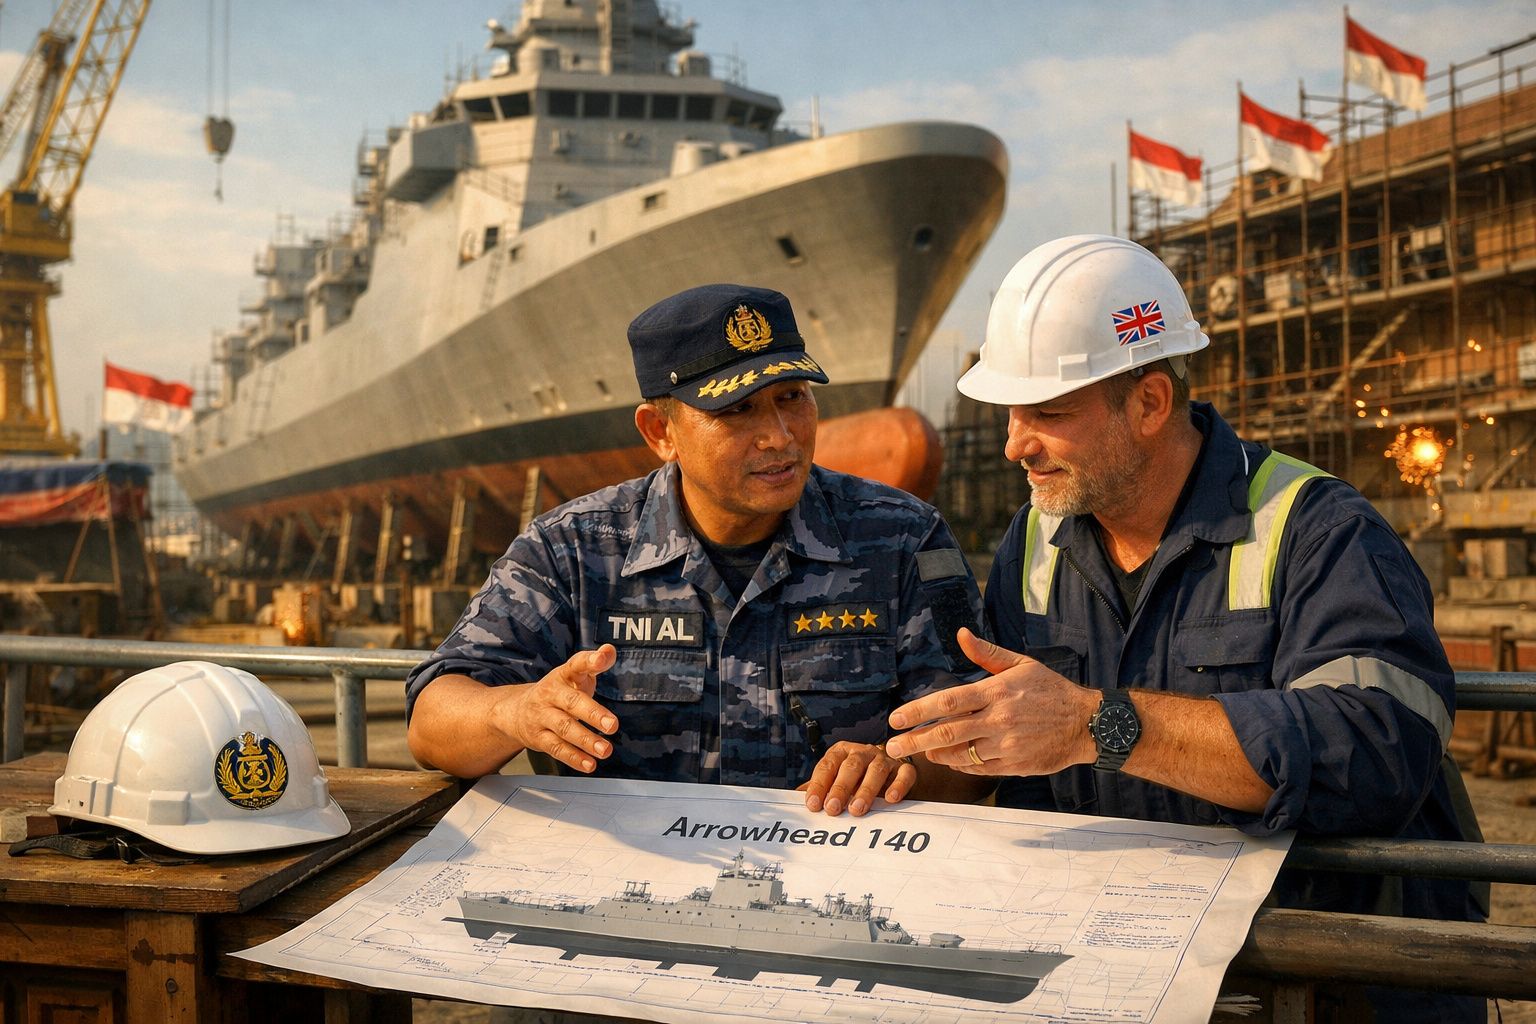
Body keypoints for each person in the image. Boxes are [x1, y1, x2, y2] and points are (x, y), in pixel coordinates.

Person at [882, 235, 1484, 1022]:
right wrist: (910, 764)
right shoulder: (1034, 543)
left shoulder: (1320, 532)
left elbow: (1374, 752)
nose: (1013, 445)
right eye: (1009, 414)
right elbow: (1009, 747)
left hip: (1315, 986)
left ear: (1149, 404)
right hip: (1123, 980)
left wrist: (1101, 726)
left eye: (1048, 414)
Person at [407, 283, 989, 818]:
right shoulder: (574, 550)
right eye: (737, 410)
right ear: (660, 432)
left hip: (842, 874)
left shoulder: (902, 538)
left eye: (792, 397)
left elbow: (976, 745)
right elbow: (433, 723)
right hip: (631, 881)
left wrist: (904, 768)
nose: (780, 436)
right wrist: (516, 711)